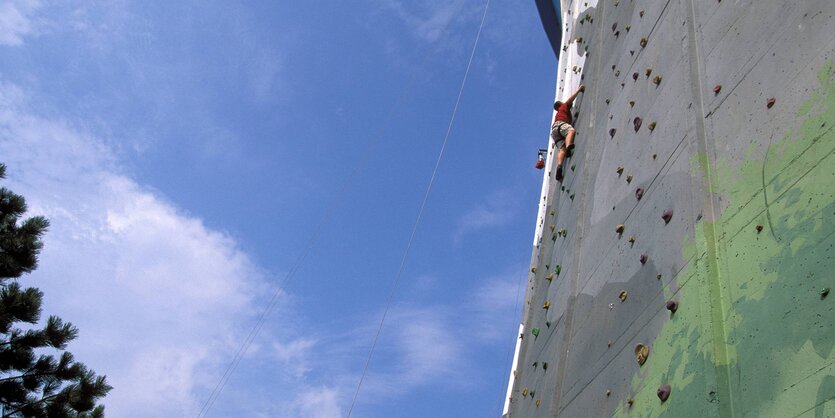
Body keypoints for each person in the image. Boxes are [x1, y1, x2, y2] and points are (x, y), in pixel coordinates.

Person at [551, 85, 585, 181]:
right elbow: (571, 99)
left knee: (562, 150)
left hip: (554, 131)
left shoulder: (558, 114)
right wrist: (579, 89)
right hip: (560, 125)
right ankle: (570, 146)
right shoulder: (563, 107)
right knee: (571, 131)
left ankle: (559, 166)